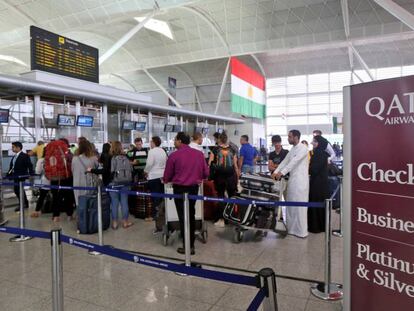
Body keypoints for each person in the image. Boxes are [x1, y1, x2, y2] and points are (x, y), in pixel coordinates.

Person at [163, 132, 209, 255]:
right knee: (191, 215)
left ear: (180, 141)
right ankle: (190, 243)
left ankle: (188, 246)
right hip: (194, 189)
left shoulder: (174, 156)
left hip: (179, 190)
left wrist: (167, 180)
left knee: (183, 217)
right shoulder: (199, 154)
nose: (173, 142)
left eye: (175, 140)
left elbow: (167, 176)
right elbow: (206, 173)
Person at [272, 130, 309, 238]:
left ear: (296, 137)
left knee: (299, 208)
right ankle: (291, 229)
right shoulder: (293, 149)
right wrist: (275, 172)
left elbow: (294, 162)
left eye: (290, 137)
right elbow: (285, 161)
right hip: (293, 181)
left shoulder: (303, 148)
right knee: (291, 206)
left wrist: (281, 173)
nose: (288, 138)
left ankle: (301, 231)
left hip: (301, 182)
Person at [209, 132, 238, 228]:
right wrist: (237, 178)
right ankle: (232, 218)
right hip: (231, 176)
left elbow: (210, 163)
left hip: (220, 176)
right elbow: (235, 165)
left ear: (219, 140)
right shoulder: (232, 149)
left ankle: (221, 219)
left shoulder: (215, 149)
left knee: (220, 197)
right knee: (231, 197)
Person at [45, 138, 75, 222]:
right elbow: (71, 165)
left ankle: (55, 216)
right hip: (66, 178)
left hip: (54, 178)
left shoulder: (50, 153)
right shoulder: (68, 154)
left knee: (55, 197)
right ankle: (69, 215)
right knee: (68, 197)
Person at [144, 136, 167, 233]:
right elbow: (167, 162)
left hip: (153, 177)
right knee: (162, 198)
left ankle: (157, 221)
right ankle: (163, 219)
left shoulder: (152, 151)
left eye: (150, 142)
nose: (150, 143)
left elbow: (149, 163)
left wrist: (145, 171)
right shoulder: (163, 151)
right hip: (162, 177)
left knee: (155, 199)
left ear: (154, 142)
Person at [109, 141, 134, 229]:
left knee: (114, 203)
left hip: (114, 183)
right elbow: (131, 169)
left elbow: (112, 171)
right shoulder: (126, 157)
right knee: (124, 202)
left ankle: (115, 223)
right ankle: (125, 222)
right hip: (126, 183)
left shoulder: (113, 158)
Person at [308, 135, 329, 233]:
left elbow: (314, 169)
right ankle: (321, 225)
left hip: (317, 184)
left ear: (320, 143)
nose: (312, 143)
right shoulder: (323, 153)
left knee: (316, 203)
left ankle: (316, 227)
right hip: (321, 183)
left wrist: (308, 168)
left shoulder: (318, 154)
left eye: (315, 141)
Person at [7, 142, 34, 212]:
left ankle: (22, 204)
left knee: (18, 190)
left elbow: (30, 165)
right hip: (15, 176)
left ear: (18, 147)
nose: (12, 148)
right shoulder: (14, 156)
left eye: (13, 147)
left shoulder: (24, 156)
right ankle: (25, 203)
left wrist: (31, 174)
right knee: (18, 190)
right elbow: (12, 167)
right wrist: (9, 174)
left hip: (21, 176)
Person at [71, 140, 99, 208]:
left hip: (77, 183)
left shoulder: (74, 159)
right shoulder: (93, 158)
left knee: (79, 203)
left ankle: (81, 217)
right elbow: (97, 169)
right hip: (89, 183)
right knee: (90, 203)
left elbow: (72, 171)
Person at [31, 148, 50, 217]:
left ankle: (37, 211)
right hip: (56, 180)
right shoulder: (55, 159)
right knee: (57, 196)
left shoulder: (41, 160)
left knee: (42, 196)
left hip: (45, 180)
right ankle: (56, 213)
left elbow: (38, 171)